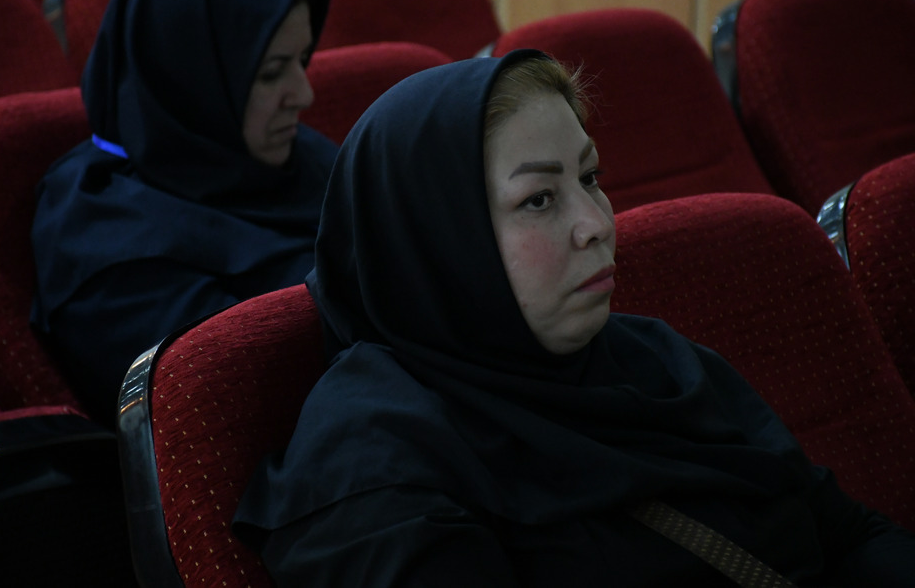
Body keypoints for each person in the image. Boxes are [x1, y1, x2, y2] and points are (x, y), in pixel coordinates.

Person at [232, 50, 915, 586]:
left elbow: (849, 535)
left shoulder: (653, 358)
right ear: (437, 240)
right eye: (538, 199)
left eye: (589, 179)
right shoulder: (374, 480)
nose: (597, 224)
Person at [30, 0, 336, 427]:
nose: (304, 95)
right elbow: (245, 398)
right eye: (271, 73)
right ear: (190, 74)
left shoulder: (291, 154)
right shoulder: (106, 245)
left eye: (302, 62)